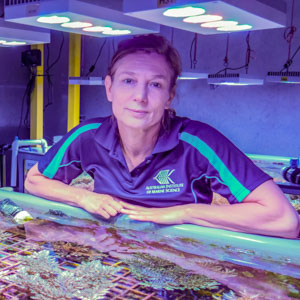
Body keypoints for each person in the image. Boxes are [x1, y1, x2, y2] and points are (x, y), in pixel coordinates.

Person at [25, 34, 300, 239]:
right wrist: (83, 198)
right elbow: (34, 181)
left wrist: (184, 212)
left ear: (169, 95)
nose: (140, 97)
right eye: (128, 81)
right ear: (109, 88)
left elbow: (284, 221)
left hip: (185, 261)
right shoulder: (87, 137)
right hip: (111, 255)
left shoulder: (197, 142)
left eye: (155, 84)